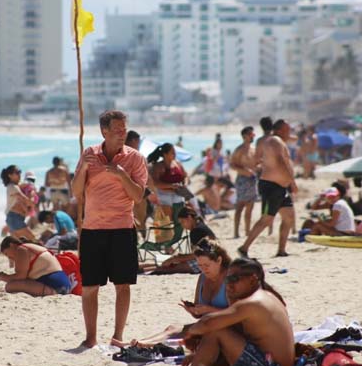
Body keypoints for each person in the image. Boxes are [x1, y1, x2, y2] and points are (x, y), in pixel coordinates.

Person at [142, 258, 294, 366]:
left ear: (253, 280)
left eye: (235, 279)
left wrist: (191, 333)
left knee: (216, 331)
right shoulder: (265, 296)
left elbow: (208, 323)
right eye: (228, 279)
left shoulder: (254, 302)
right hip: (274, 364)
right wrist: (199, 353)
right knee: (219, 335)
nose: (229, 284)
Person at [72, 109, 147, 348]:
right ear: (104, 131)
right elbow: (76, 193)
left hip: (122, 228)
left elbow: (138, 196)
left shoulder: (134, 158)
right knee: (90, 287)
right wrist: (84, 167)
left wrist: (121, 174)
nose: (122, 134)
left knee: (122, 285)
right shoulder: (90, 154)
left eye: (124, 129)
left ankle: (118, 336)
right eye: (117, 130)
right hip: (93, 229)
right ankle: (90, 337)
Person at [119, 240, 232, 347]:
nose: (203, 269)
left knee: (190, 333)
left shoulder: (230, 279)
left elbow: (238, 313)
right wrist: (194, 311)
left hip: (228, 328)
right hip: (206, 324)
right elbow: (199, 315)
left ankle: (148, 345)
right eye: (200, 266)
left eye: (206, 265)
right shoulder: (202, 278)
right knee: (172, 328)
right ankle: (140, 343)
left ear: (219, 260)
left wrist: (208, 309)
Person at [238, 119, 298, 258]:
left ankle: (281, 250)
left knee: (289, 216)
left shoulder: (275, 141)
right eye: (287, 129)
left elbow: (259, 158)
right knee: (267, 219)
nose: (289, 131)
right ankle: (244, 247)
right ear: (278, 130)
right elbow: (281, 161)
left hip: (281, 187)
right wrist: (292, 181)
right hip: (271, 186)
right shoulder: (275, 141)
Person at [141, 206, 216, 275]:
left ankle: (143, 270)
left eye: (182, 222)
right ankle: (142, 269)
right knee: (169, 264)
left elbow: (196, 255)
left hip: (208, 260)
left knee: (168, 268)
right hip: (211, 258)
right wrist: (178, 257)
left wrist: (175, 258)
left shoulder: (196, 231)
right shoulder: (200, 226)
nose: (182, 225)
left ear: (189, 218)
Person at [0, 236, 72, 296]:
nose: (9, 257)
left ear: (12, 245)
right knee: (13, 285)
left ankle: (50, 292)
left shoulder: (21, 249)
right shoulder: (28, 247)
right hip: (64, 285)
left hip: (55, 286)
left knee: (10, 286)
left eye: (7, 254)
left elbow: (21, 276)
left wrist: (3, 277)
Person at [230, 126, 258, 239]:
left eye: (253, 134)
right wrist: (245, 171)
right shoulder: (239, 150)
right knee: (240, 206)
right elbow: (232, 164)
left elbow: (257, 163)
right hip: (242, 179)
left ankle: (247, 231)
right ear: (245, 136)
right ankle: (236, 232)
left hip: (252, 180)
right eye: (251, 134)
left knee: (250, 206)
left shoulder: (253, 149)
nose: (253, 136)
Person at [1, 165, 36, 241]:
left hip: (15, 218)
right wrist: (33, 198)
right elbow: (26, 201)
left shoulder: (14, 186)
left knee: (22, 243)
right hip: (14, 218)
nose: (19, 175)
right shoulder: (13, 187)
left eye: (20, 172)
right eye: (17, 172)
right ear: (10, 175)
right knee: (32, 239)